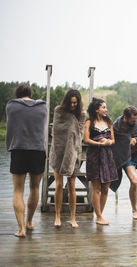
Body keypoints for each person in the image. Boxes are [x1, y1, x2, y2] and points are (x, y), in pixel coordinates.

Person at [5, 84, 47, 238]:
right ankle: (29, 221)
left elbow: (11, 127)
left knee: (18, 191)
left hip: (18, 150)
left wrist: (9, 146)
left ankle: (21, 229)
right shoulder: (43, 107)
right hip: (37, 151)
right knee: (35, 188)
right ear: (31, 93)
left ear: (17, 94)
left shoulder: (11, 106)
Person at [49, 89, 85, 228]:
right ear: (66, 101)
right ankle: (57, 216)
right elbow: (56, 130)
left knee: (71, 186)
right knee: (58, 185)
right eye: (71, 103)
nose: (73, 105)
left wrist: (72, 135)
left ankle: (73, 218)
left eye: (75, 103)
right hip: (59, 150)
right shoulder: (59, 111)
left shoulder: (81, 114)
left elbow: (79, 132)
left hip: (74, 153)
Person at [83, 98, 118, 225]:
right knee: (96, 187)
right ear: (97, 109)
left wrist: (108, 142)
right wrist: (99, 143)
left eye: (105, 107)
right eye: (103, 107)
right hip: (94, 156)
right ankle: (98, 216)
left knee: (106, 188)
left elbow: (113, 140)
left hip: (108, 156)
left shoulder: (109, 122)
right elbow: (86, 140)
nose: (106, 110)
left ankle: (100, 215)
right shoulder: (89, 122)